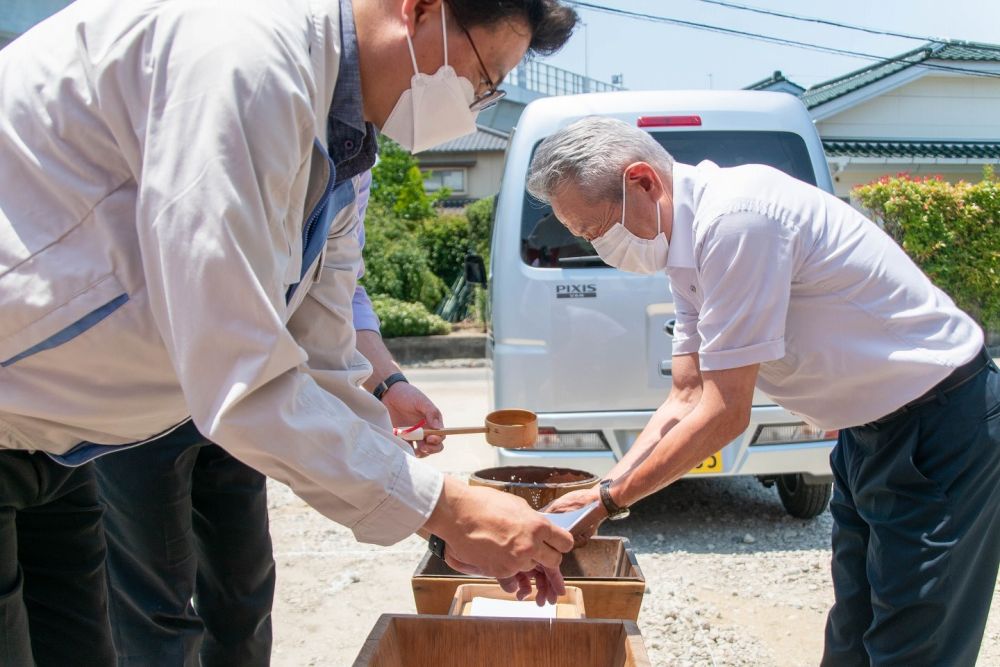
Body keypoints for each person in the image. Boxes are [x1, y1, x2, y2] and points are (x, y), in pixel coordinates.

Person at [0, 1, 578, 664]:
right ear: (419, 10)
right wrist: (447, 507)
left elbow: (325, 361)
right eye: (481, 79)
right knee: (150, 616)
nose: (474, 108)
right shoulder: (245, 57)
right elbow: (238, 370)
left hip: (60, 439)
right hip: (18, 407)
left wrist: (446, 513)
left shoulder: (343, 144)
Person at [531, 117, 1000, 667]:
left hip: (939, 423)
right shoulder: (684, 247)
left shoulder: (736, 220)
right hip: (868, 432)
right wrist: (604, 486)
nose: (597, 244)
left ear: (643, 182)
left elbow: (725, 412)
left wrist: (612, 501)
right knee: (854, 627)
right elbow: (686, 394)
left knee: (915, 640)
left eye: (596, 228)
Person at [93, 172, 447, 666]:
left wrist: (387, 385)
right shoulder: (274, 112)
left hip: (244, 390)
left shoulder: (357, 155)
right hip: (146, 384)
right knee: (157, 608)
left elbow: (335, 288)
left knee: (244, 590)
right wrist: (430, 501)